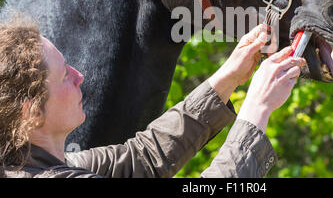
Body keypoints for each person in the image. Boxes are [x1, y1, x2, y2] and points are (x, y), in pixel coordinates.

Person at [0, 15, 305, 178]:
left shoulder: (47, 163)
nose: (79, 76)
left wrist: (229, 77)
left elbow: (144, 157)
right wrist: (256, 110)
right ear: (32, 113)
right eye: (65, 75)